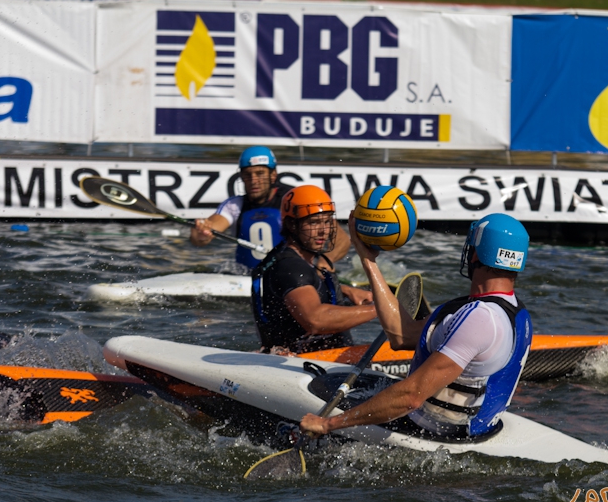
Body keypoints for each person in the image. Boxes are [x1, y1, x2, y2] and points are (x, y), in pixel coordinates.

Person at [300, 213, 533, 438]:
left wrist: (328, 424)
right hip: (473, 430)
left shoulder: (479, 318)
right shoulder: (515, 312)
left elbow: (411, 396)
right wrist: (367, 260)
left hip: (433, 433)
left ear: (475, 256)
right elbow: (402, 336)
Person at [251, 185, 378, 353]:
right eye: (314, 222)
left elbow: (302, 289)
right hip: (300, 365)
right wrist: (379, 309)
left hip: (322, 358)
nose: (323, 231)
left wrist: (345, 290)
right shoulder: (290, 267)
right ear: (292, 225)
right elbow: (315, 319)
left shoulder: (299, 260)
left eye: (327, 222)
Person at [190, 146, 350, 271]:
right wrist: (202, 233)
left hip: (295, 275)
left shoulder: (295, 200)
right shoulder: (234, 205)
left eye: (260, 174)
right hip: (248, 276)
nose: (254, 180)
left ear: (273, 175)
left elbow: (342, 240)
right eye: (248, 175)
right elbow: (205, 234)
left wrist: (325, 261)